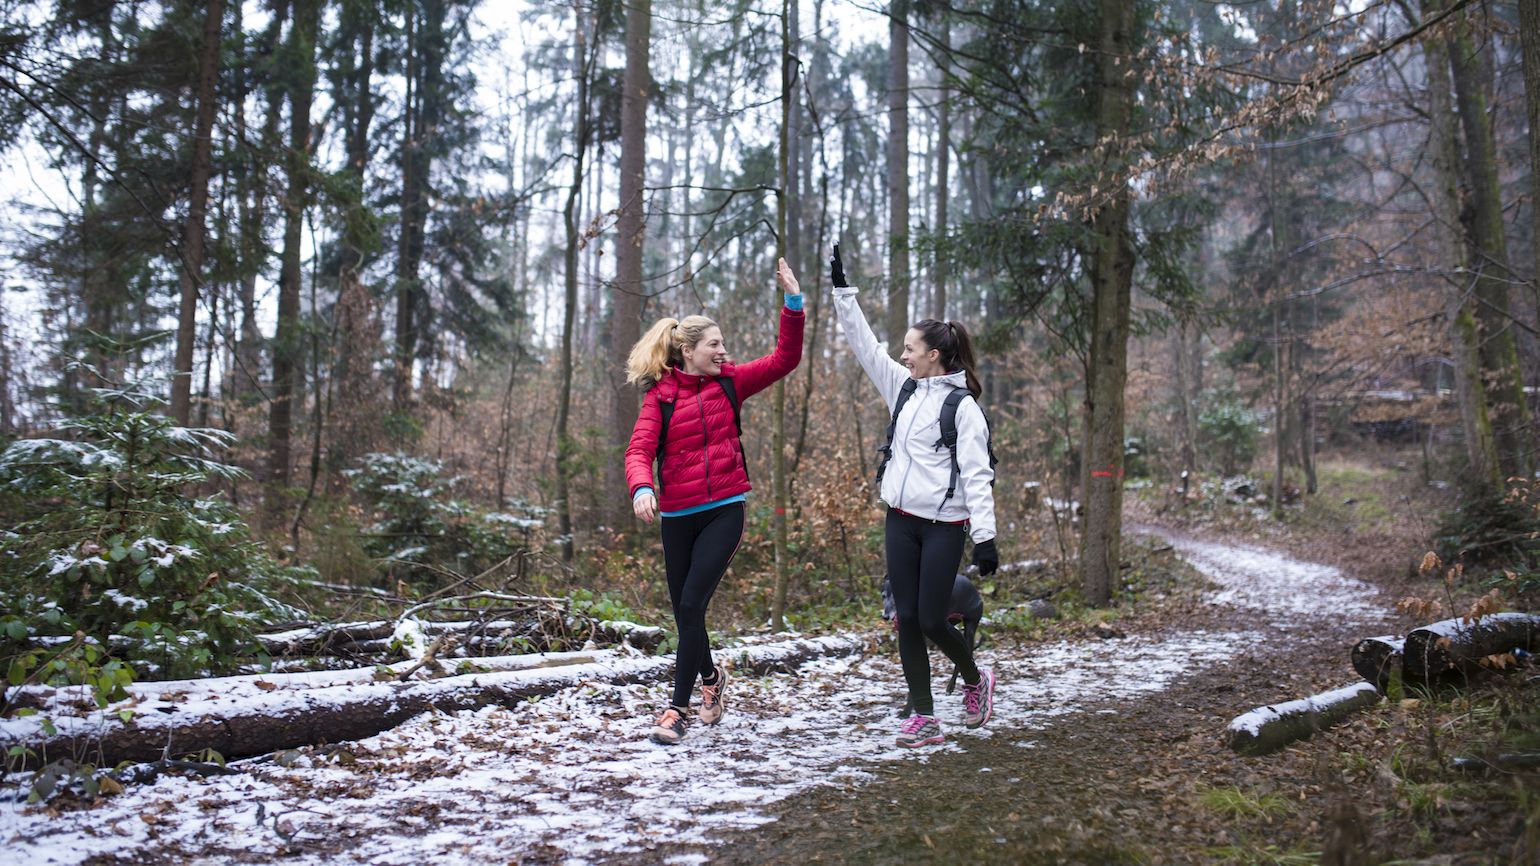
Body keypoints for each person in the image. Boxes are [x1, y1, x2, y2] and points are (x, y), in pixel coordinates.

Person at [623, 258, 805, 745]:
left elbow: (785, 359)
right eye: (714, 344)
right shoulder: (660, 398)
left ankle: (676, 711)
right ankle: (712, 681)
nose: (724, 351)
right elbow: (639, 449)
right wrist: (643, 487)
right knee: (686, 615)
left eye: (723, 344)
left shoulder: (731, 383)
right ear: (687, 350)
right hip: (677, 516)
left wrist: (793, 303)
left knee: (690, 603)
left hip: (725, 507)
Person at [828, 243, 999, 748]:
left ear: (935, 355)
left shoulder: (963, 409)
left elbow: (977, 474)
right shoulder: (902, 387)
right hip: (899, 519)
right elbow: (863, 345)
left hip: (944, 525)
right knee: (906, 620)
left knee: (929, 618)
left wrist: (984, 538)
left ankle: (974, 679)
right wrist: (843, 292)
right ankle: (924, 717)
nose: (902, 354)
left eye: (910, 348)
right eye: (902, 349)